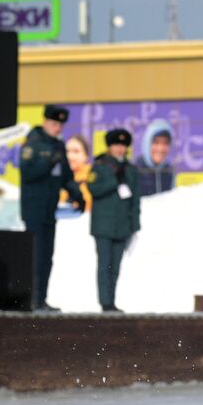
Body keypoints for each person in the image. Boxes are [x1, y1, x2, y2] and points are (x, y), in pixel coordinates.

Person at [19, 104, 85, 311]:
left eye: (60, 125)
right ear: (45, 122)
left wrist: (77, 194)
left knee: (47, 256)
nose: (58, 129)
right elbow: (28, 173)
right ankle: (32, 299)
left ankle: (41, 299)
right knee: (35, 256)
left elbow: (66, 176)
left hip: (49, 210)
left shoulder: (58, 146)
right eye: (55, 124)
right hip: (34, 209)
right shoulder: (33, 144)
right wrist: (48, 162)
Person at [88, 128, 141, 312]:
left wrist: (135, 225)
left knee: (115, 267)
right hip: (103, 225)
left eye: (123, 145)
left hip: (122, 226)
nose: (120, 149)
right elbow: (94, 189)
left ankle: (111, 301)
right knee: (105, 265)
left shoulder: (131, 170)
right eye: (116, 145)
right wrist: (113, 182)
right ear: (109, 146)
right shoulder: (100, 166)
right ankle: (105, 302)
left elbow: (135, 200)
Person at [59, 134, 93, 214]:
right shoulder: (56, 176)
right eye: (67, 151)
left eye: (76, 151)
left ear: (86, 155)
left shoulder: (94, 176)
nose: (70, 156)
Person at [137, 128, 176, 196]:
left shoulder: (169, 170)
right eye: (156, 142)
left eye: (165, 143)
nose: (160, 148)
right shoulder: (134, 169)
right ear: (147, 143)